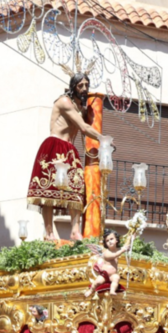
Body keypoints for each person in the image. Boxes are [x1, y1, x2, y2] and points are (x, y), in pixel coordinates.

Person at [26, 72, 101, 242]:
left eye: (86, 86)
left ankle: (75, 230)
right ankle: (48, 232)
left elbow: (86, 125)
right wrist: (103, 139)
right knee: (49, 190)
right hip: (55, 146)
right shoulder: (64, 102)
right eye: (80, 85)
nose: (84, 89)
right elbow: (83, 127)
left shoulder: (80, 109)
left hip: (70, 150)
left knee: (76, 189)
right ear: (73, 86)